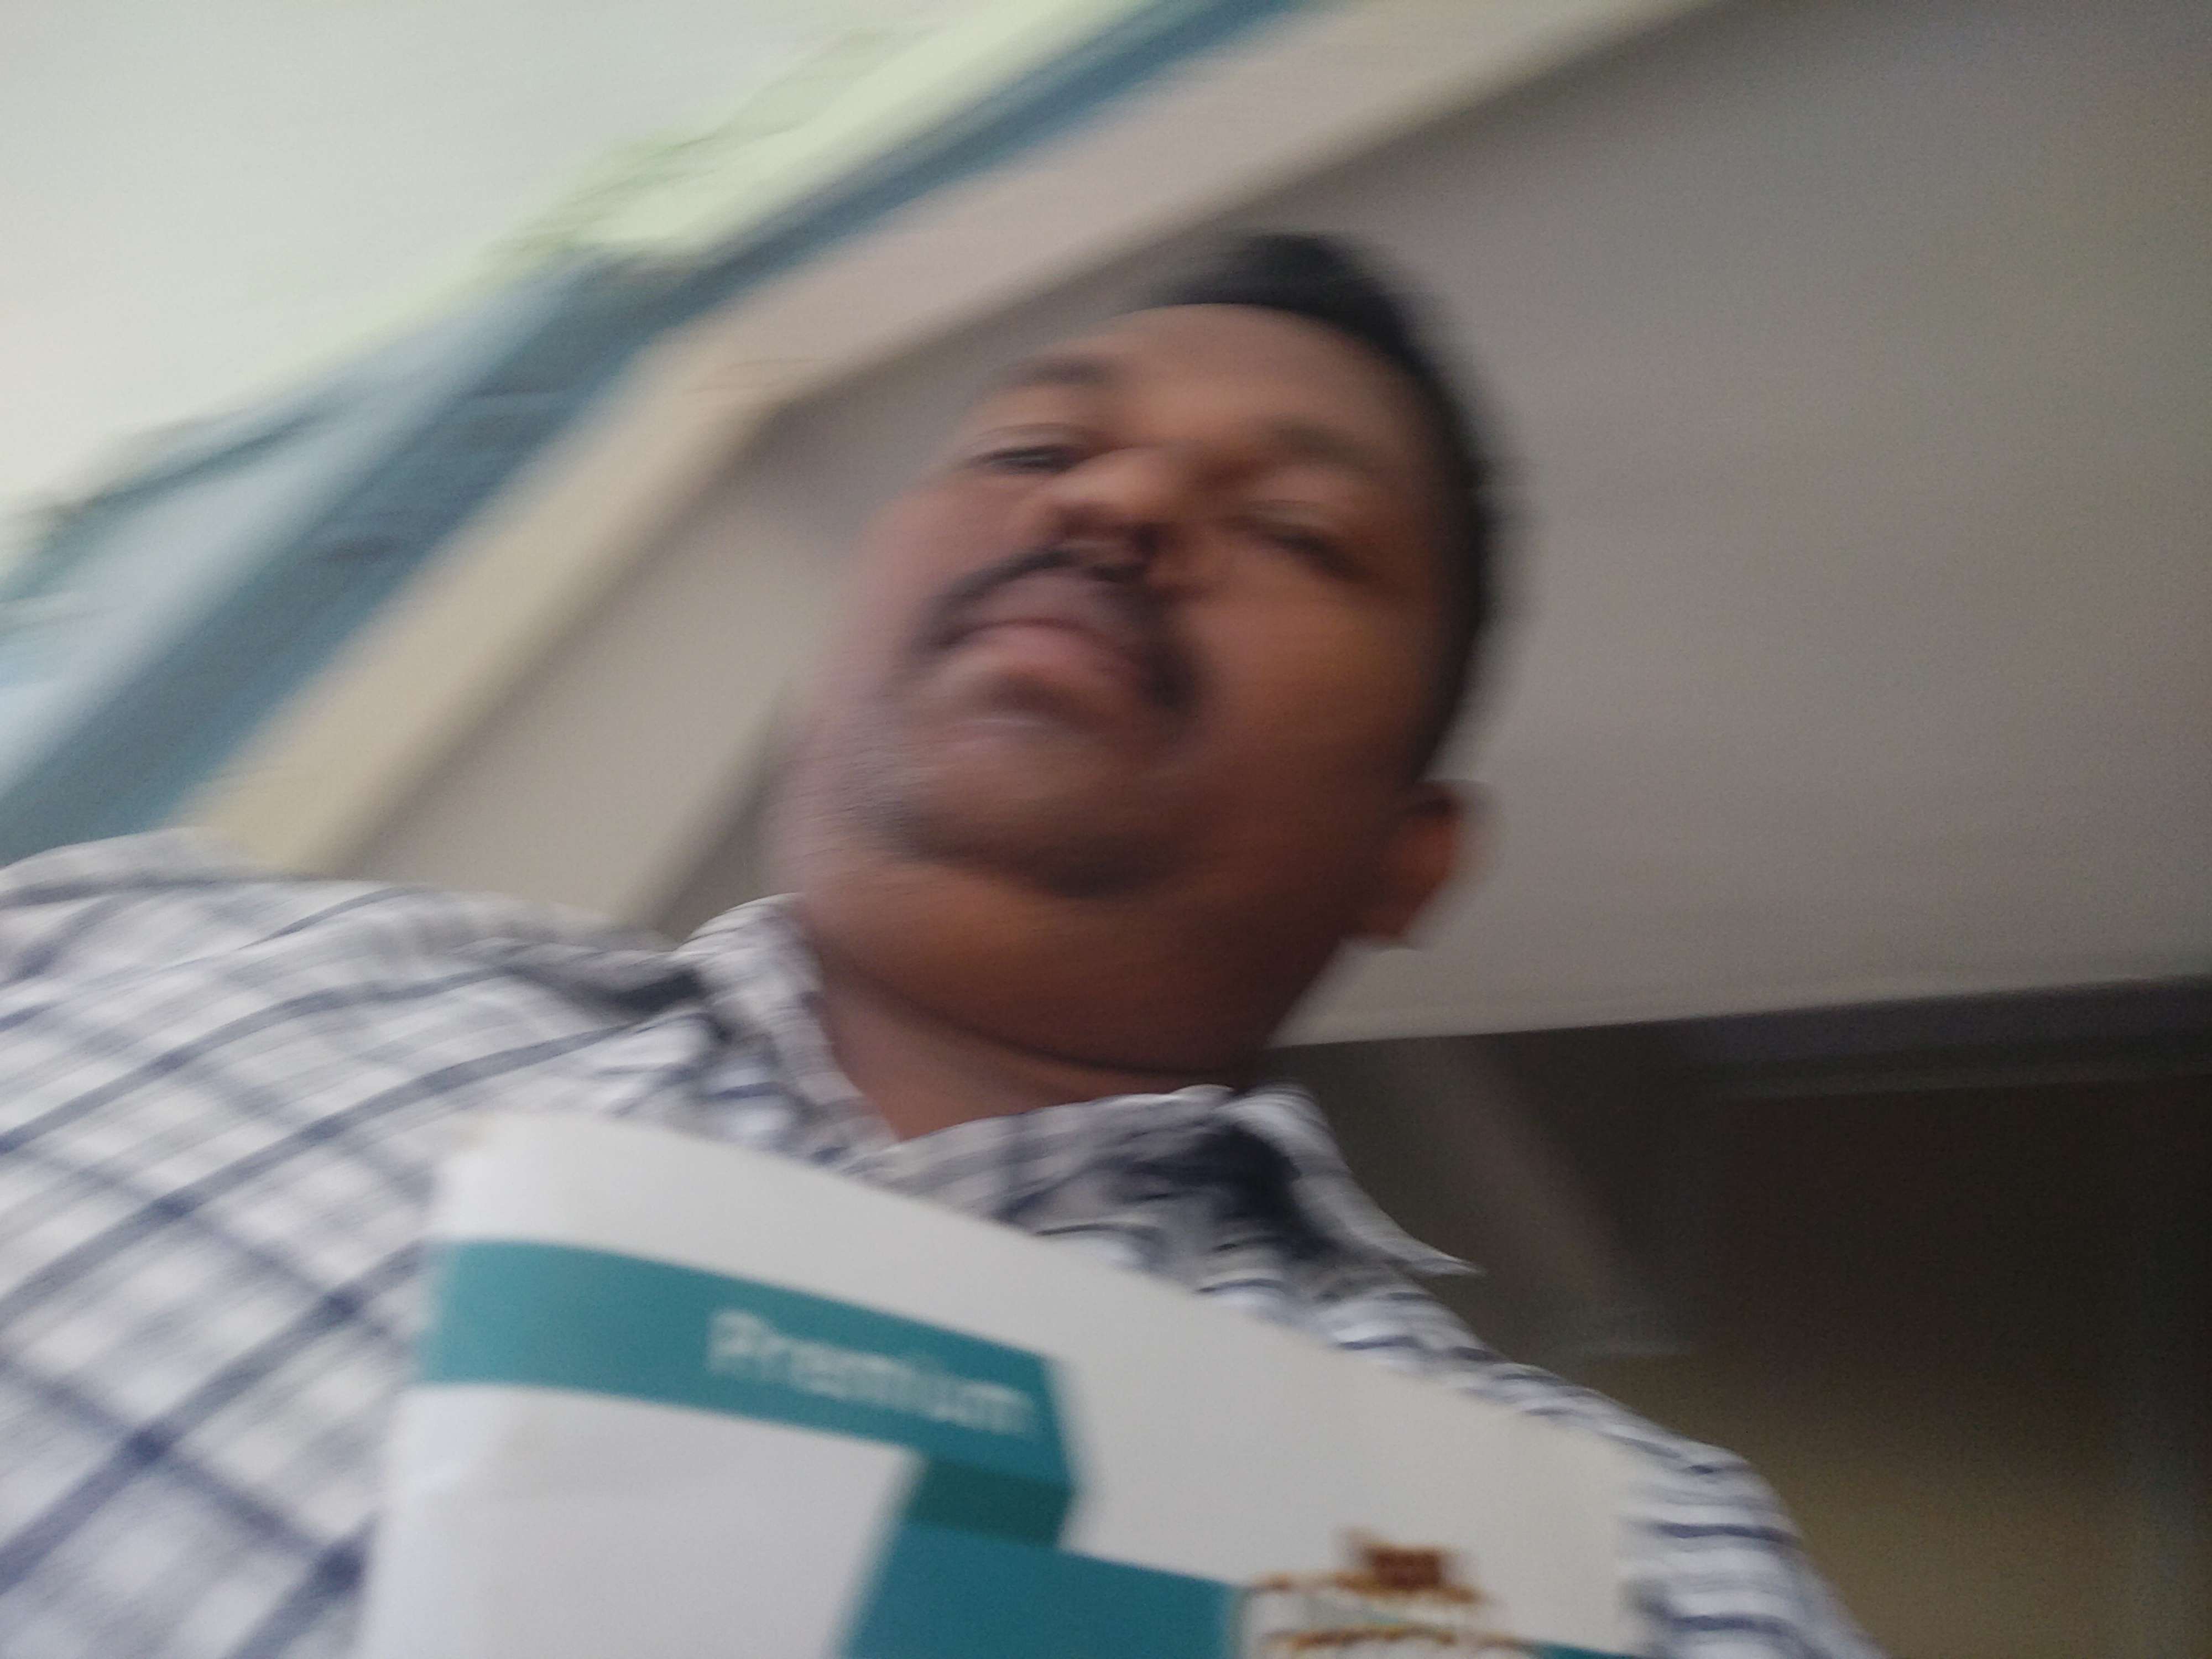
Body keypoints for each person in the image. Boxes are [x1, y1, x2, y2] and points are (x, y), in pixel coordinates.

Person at [0, 234, 1876, 1657]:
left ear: (1409, 856)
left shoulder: (1641, 1571)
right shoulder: (137, 938)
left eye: (1301, 530)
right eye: (1040, 443)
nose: (1114, 502)